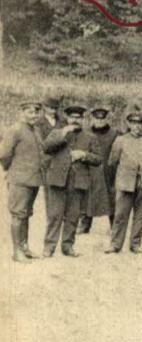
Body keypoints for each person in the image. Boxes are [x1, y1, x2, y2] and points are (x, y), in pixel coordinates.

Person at [41, 103, 101, 257]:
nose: (76, 120)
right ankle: (49, 247)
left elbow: (98, 159)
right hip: (57, 180)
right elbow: (46, 147)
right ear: (67, 118)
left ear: (83, 119)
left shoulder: (90, 136)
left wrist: (84, 155)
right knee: (54, 215)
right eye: (72, 117)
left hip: (78, 181)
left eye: (79, 117)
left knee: (73, 216)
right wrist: (63, 133)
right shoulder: (57, 132)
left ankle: (68, 246)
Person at [107, 109, 142, 254]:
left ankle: (135, 244)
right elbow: (112, 161)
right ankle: (115, 244)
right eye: (134, 123)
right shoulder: (121, 140)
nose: (137, 126)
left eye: (140, 123)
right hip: (126, 183)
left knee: (140, 216)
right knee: (120, 215)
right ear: (129, 124)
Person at [0, 100, 45, 262]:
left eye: (36, 112)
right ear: (22, 112)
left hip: (33, 179)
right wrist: (13, 171)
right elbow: (4, 155)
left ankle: (24, 247)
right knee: (18, 215)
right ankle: (16, 251)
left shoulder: (36, 130)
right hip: (19, 179)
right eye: (30, 112)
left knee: (26, 214)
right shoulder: (15, 130)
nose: (34, 115)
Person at [75, 106, 118, 237]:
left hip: (108, 170)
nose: (99, 121)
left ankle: (114, 226)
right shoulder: (86, 132)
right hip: (90, 169)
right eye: (96, 118)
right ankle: (85, 224)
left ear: (106, 119)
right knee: (87, 198)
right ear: (92, 119)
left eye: (102, 118)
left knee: (111, 198)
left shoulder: (114, 134)